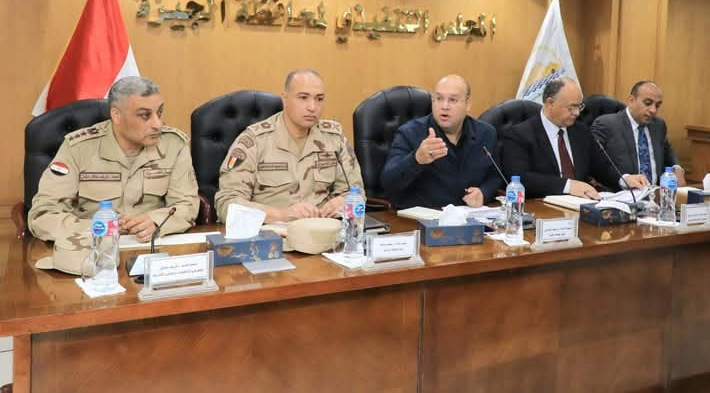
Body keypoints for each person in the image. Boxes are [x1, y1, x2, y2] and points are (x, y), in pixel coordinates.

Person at [29, 76, 200, 243]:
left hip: (150, 246)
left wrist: (156, 222)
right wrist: (101, 227)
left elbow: (186, 205)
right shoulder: (78, 148)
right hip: (90, 247)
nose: (157, 124)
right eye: (145, 116)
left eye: (160, 112)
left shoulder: (174, 145)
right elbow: (43, 215)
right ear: (116, 115)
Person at [215, 69, 363, 223]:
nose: (312, 107)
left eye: (319, 99)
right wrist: (281, 215)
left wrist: (345, 202)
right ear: (285, 99)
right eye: (303, 97)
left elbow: (357, 193)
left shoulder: (334, 138)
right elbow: (226, 204)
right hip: (273, 233)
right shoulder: (254, 141)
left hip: (324, 230)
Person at [502, 77, 638, 199]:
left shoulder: (581, 132)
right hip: (541, 207)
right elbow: (520, 178)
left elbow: (601, 166)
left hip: (580, 205)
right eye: (572, 107)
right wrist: (568, 186)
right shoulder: (519, 134)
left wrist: (624, 179)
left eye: (579, 106)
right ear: (550, 103)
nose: (577, 113)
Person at [380, 75, 502, 209]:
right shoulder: (409, 133)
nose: (444, 106)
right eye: (439, 99)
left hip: (468, 216)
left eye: (453, 100)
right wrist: (416, 159)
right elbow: (388, 183)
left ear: (468, 104)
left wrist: (484, 193)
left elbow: (495, 177)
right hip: (423, 217)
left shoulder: (486, 133)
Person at [592, 80, 685, 189]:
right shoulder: (607, 124)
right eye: (648, 103)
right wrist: (624, 179)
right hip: (623, 194)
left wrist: (676, 168)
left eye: (657, 105)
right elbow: (597, 164)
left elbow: (667, 150)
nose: (653, 110)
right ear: (631, 101)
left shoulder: (658, 125)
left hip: (656, 193)